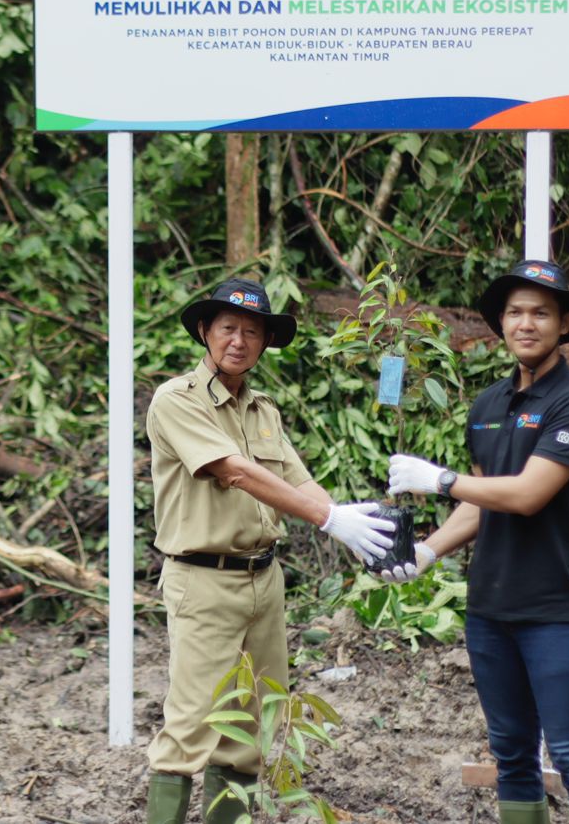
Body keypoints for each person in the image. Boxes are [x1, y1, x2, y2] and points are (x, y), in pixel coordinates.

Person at [143, 277, 397, 824]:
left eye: (251, 331)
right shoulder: (176, 400)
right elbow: (234, 471)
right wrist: (329, 520)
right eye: (228, 327)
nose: (238, 340)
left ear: (263, 343)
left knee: (250, 729)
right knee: (190, 727)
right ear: (206, 332)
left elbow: (300, 484)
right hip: (204, 579)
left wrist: (356, 528)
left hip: (264, 580)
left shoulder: (262, 410)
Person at [382, 259, 569, 824]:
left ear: (565, 323)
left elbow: (527, 494)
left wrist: (438, 480)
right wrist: (428, 551)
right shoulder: (487, 406)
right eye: (515, 312)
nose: (526, 324)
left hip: (554, 610)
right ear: (502, 324)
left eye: (541, 313)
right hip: (490, 609)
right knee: (511, 754)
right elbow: (482, 501)